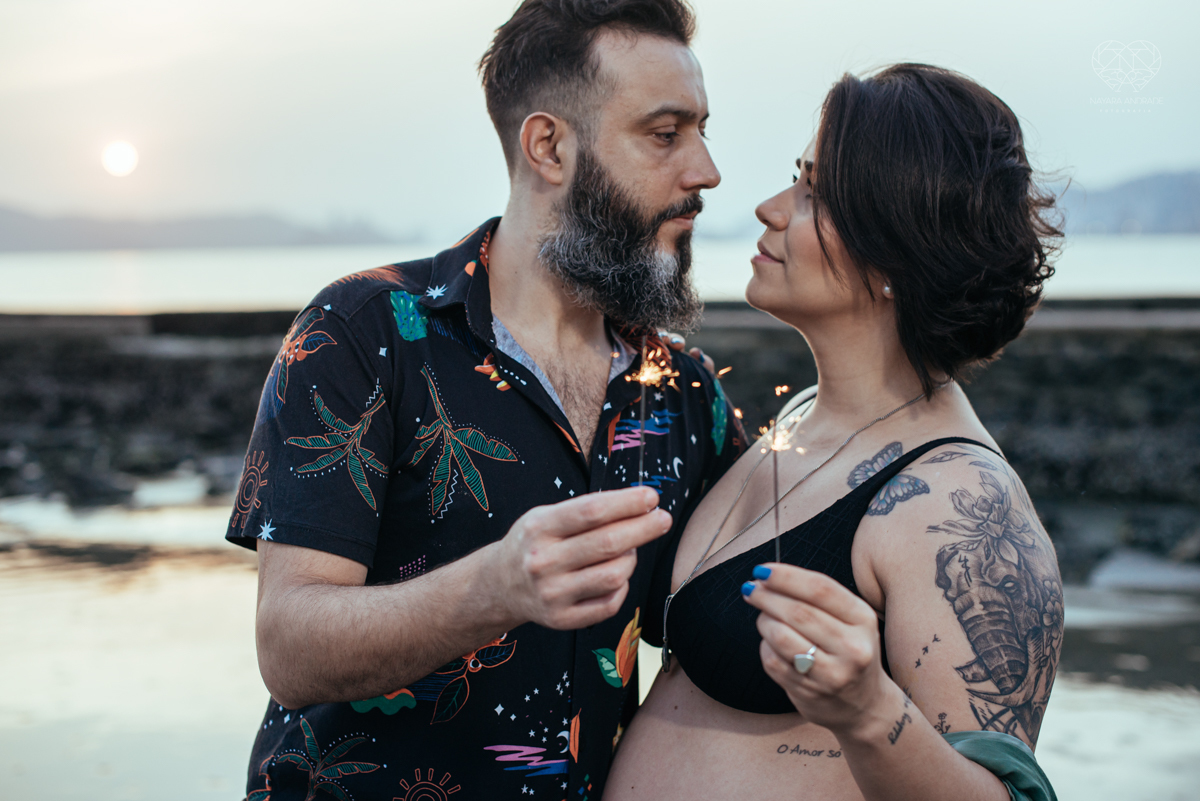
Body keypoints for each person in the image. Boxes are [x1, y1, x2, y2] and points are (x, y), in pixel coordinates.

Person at [224, 2, 744, 799]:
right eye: (665, 133)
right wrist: (495, 587)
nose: (705, 171)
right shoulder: (364, 331)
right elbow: (289, 648)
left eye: (702, 131)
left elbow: (732, 623)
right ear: (549, 147)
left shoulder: (684, 390)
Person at [606, 64, 1063, 801]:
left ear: (896, 252)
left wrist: (868, 710)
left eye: (814, 193)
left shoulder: (959, 503)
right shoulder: (798, 420)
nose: (769, 208)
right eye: (797, 179)